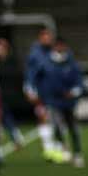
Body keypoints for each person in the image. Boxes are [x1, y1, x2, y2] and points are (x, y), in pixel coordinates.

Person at [24, 27, 67, 163]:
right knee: (44, 120)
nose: (47, 39)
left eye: (49, 36)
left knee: (58, 121)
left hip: (54, 94)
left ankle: (57, 148)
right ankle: (49, 150)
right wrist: (29, 90)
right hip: (42, 94)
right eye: (45, 36)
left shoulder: (53, 52)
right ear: (40, 37)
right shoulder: (35, 54)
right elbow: (30, 75)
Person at [42, 38, 85, 167]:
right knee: (56, 127)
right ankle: (63, 151)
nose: (60, 48)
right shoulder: (48, 62)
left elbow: (79, 81)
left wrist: (74, 91)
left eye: (62, 46)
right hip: (54, 101)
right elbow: (47, 81)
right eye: (57, 46)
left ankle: (78, 153)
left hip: (69, 102)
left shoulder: (71, 62)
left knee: (73, 128)